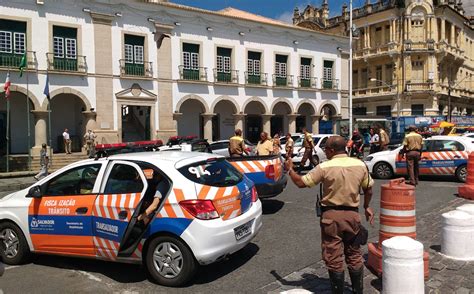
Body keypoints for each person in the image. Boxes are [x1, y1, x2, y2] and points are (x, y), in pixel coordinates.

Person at [285, 136, 374, 294]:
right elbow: (369, 189)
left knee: (333, 257)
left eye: (326, 149)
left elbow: (300, 183)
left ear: (332, 150)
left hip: (331, 217)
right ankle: (357, 291)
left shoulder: (324, 167)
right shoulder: (360, 164)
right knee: (354, 254)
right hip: (353, 216)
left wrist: (290, 169)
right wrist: (367, 206)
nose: (325, 151)